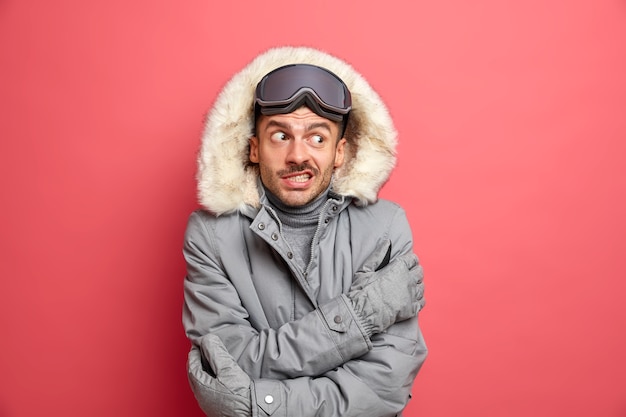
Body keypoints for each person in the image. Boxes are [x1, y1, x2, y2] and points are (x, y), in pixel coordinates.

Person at [182, 46, 427, 417]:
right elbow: (230, 360)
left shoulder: (385, 227)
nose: (298, 155)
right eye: (280, 136)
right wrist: (364, 312)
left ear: (340, 151)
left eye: (317, 138)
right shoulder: (210, 237)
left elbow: (382, 388)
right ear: (253, 148)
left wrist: (258, 404)